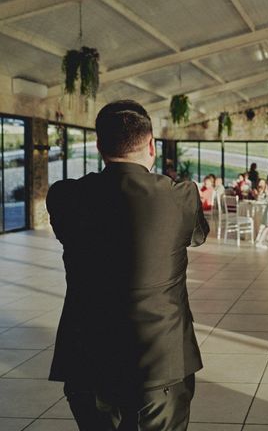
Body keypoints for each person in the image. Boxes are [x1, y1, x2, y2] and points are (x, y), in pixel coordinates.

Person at [46, 100, 209, 431]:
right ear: (151, 145)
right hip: (161, 354)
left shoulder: (65, 196)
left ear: (99, 147)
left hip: (87, 353)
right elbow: (197, 237)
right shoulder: (181, 195)